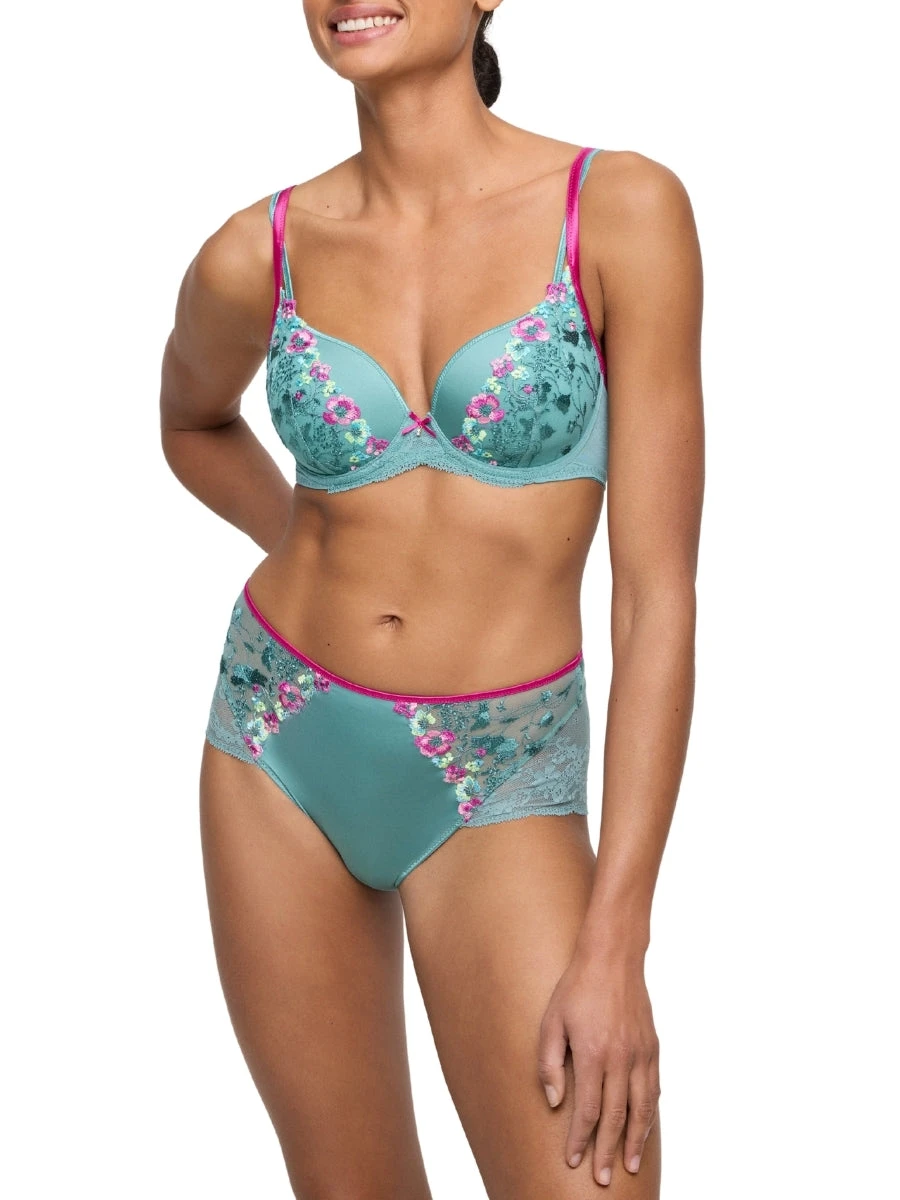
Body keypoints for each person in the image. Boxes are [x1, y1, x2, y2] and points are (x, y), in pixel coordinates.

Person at [159, 2, 704, 1196]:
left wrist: (617, 941)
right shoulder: (259, 249)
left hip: (503, 769)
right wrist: (307, 540)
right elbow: (191, 422)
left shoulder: (621, 210)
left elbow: (655, 598)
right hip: (279, 736)